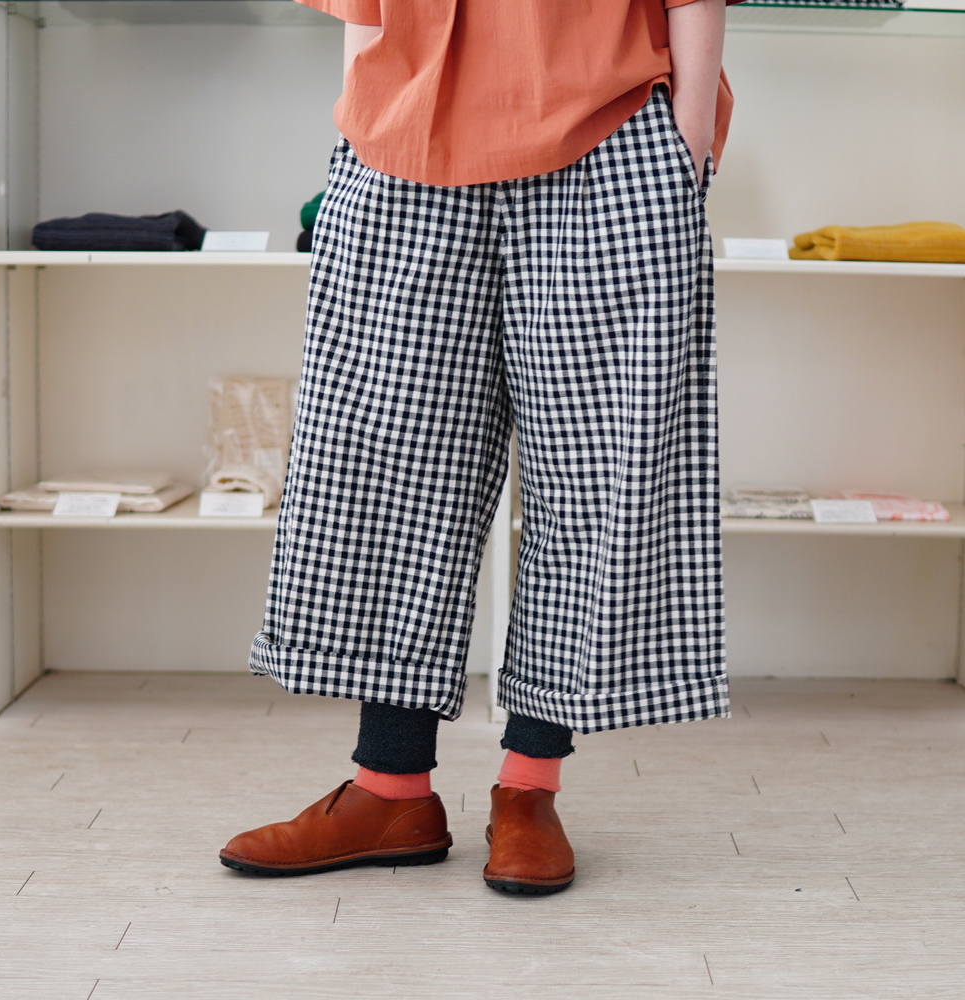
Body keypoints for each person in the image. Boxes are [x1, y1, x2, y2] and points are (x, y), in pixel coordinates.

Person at [220, 0, 740, 895]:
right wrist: (361, 113)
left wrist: (687, 142)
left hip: (609, 135)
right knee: (385, 472)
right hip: (401, 142)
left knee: (596, 477)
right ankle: (390, 789)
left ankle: (530, 787)